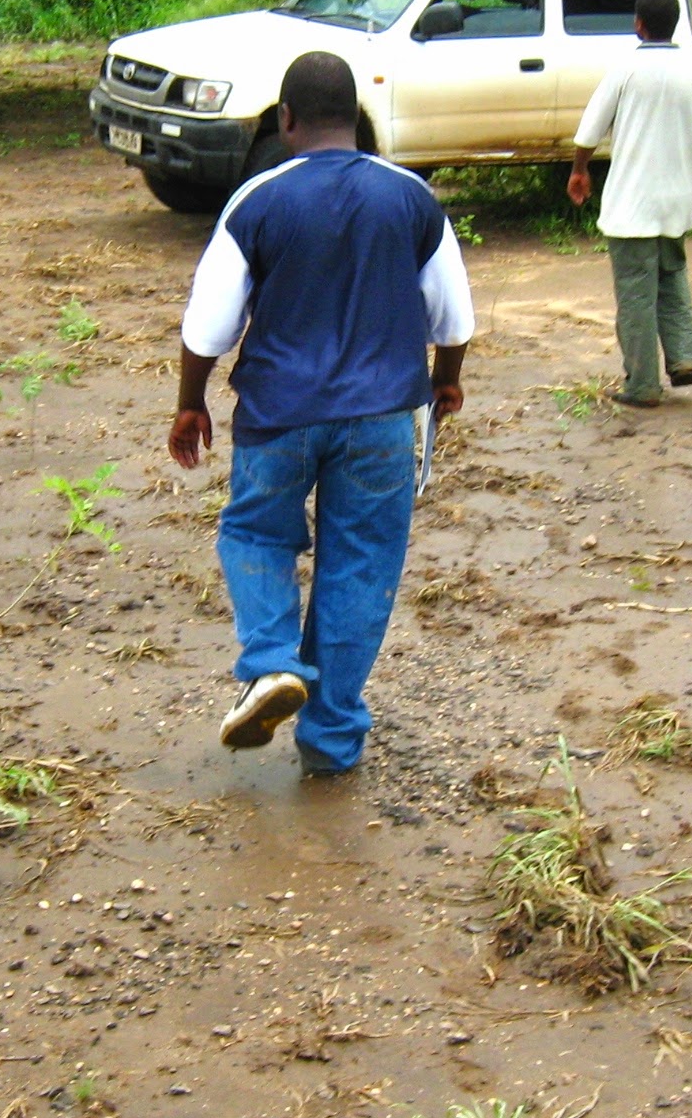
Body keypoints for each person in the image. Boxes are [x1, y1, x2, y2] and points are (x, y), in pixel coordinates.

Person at [170, 51, 473, 777]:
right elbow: (453, 317)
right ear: (358, 120)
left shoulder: (258, 199)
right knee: (361, 567)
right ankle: (331, 741)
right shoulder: (411, 198)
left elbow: (208, 326)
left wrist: (190, 403)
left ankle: (273, 662)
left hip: (280, 416)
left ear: (286, 120)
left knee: (254, 533)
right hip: (380, 419)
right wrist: (446, 383)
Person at [567, 0, 692, 407]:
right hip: (675, 204)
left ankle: (641, 385)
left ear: (638, 24)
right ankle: (683, 358)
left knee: (636, 294)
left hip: (630, 207)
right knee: (672, 277)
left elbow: (589, 132)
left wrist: (579, 170)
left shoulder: (624, 71)